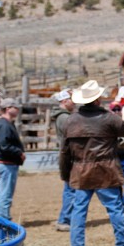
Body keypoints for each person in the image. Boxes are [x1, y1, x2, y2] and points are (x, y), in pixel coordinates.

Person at [60, 80, 124, 246]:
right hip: (105, 170)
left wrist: (66, 174)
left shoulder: (70, 121)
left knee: (79, 211)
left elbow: (64, 152)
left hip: (81, 172)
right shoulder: (108, 118)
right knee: (115, 210)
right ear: (98, 100)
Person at [0, 97, 25, 220]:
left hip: (1, 162)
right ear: (8, 108)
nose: (18, 109)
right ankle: (4, 221)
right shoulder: (4, 125)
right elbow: (4, 145)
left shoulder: (0, 124)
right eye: (15, 107)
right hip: (6, 164)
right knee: (5, 194)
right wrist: (19, 153)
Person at [50, 89, 76, 231]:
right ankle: (65, 219)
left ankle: (65, 218)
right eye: (72, 100)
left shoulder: (62, 117)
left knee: (69, 189)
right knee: (71, 189)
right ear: (65, 101)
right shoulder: (65, 118)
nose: (74, 103)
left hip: (66, 155)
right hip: (70, 156)